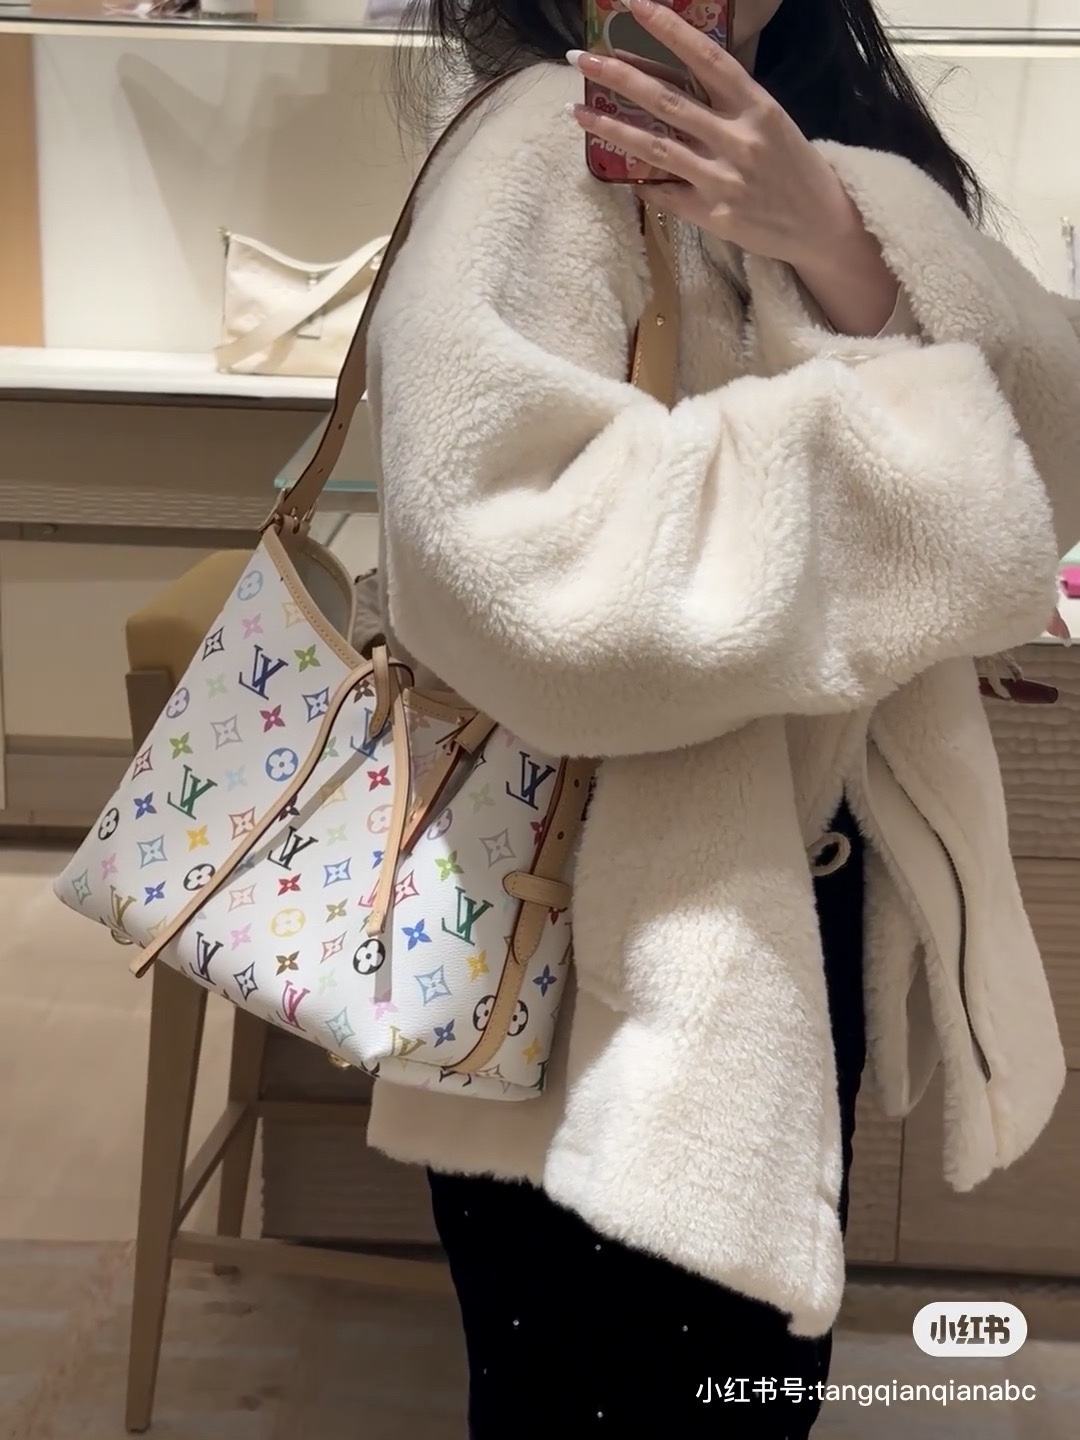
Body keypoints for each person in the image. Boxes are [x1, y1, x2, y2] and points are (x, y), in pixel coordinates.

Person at [358, 0, 1080, 1434]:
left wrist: (842, 243)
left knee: (740, 1391)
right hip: (584, 939)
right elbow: (517, 581)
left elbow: (1048, 466)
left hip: (789, 904)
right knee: (616, 1398)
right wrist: (911, 512)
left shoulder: (828, 158)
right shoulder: (536, 146)